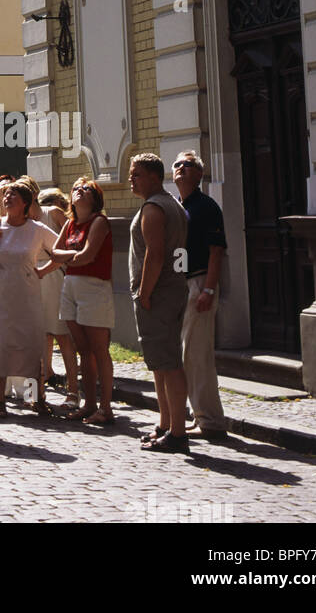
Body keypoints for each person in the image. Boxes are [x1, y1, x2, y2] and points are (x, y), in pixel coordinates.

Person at [128, 153, 191, 453]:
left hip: (159, 293)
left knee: (168, 363)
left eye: (136, 174)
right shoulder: (173, 204)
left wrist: (145, 292)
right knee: (161, 363)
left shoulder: (153, 209)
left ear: (154, 177)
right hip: (173, 289)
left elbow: (155, 254)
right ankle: (166, 424)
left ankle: (178, 433)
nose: (131, 179)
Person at [0, 181, 58, 416]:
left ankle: (33, 398)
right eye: (6, 194)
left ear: (26, 203)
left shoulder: (36, 229)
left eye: (14, 195)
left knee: (30, 346)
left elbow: (61, 248)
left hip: (27, 295)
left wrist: (44, 270)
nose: (8, 198)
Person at [49, 176, 114, 423]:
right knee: (83, 349)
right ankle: (89, 404)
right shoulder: (70, 224)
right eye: (76, 188)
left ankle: (106, 408)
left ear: (95, 198)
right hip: (71, 286)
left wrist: (69, 257)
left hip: (94, 288)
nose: (80, 191)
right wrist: (73, 256)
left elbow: (88, 257)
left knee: (99, 349)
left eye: (86, 188)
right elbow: (54, 252)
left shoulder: (99, 222)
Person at [173, 152, 228, 442]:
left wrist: (208, 289)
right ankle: (200, 416)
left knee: (197, 355)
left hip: (200, 283)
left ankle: (211, 420)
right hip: (183, 285)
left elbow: (216, 250)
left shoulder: (206, 207)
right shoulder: (179, 206)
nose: (181, 168)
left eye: (188, 165)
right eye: (177, 164)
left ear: (199, 175)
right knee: (187, 355)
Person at [37, 187, 78, 402]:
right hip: (34, 277)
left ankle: (73, 389)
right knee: (41, 334)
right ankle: (39, 387)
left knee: (61, 333)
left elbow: (71, 240)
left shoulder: (52, 212)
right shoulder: (19, 220)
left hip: (52, 274)